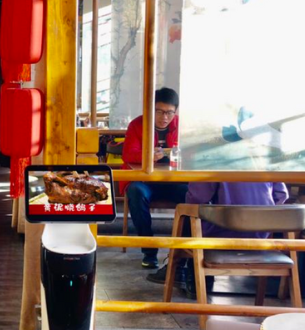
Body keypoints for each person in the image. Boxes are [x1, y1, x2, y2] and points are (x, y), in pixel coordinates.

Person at [146, 182, 289, 293]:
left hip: (222, 234)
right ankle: (190, 275)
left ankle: (190, 275)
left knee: (190, 214)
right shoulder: (264, 161)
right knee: (198, 216)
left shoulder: (213, 161)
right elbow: (281, 195)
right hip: (260, 236)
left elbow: (196, 199)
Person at [121, 87, 187, 269]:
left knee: (192, 193)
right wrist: (148, 156)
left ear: (176, 111)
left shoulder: (182, 126)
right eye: (159, 111)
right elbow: (128, 155)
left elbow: (191, 152)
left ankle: (183, 253)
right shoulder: (137, 125)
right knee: (135, 192)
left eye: (169, 112)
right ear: (151, 109)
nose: (164, 117)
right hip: (145, 182)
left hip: (173, 182)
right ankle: (149, 252)